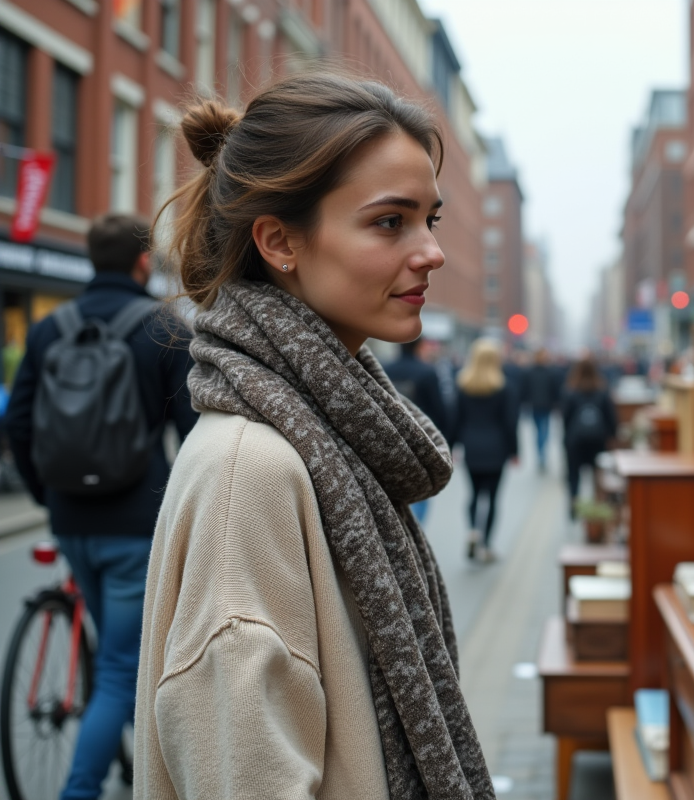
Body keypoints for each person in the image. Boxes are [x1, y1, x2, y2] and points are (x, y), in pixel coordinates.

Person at [133, 73, 494, 799]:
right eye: (390, 222)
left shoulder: (324, 437)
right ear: (280, 242)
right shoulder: (253, 473)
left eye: (431, 219)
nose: (431, 252)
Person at [5, 213, 198, 800]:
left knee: (118, 653)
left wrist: (48, 497)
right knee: (121, 667)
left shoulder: (48, 328)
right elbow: (196, 434)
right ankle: (79, 791)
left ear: (92, 259)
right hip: (135, 523)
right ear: (144, 262)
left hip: (69, 520)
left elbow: (16, 422)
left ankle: (138, 761)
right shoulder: (164, 327)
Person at [452, 338, 518, 562]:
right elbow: (510, 423)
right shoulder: (504, 387)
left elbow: (455, 420)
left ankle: (472, 530)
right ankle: (487, 545)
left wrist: (451, 446)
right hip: (496, 447)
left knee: (473, 494)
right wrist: (514, 450)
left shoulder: (463, 385)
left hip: (471, 446)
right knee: (492, 498)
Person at [385, 337, 449, 524]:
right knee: (419, 488)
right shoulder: (428, 372)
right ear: (420, 346)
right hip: (421, 442)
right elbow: (440, 410)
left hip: (389, 438)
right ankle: (414, 530)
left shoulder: (385, 369)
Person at [561, 355, 617, 516]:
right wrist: (612, 436)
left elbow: (565, 418)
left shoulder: (570, 391)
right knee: (598, 476)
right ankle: (597, 509)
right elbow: (611, 418)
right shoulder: (602, 390)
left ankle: (574, 506)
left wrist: (566, 439)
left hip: (575, 441)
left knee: (573, 476)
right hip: (597, 440)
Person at [522, 348, 562, 472]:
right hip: (538, 405)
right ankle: (541, 455)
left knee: (542, 431)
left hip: (544, 406)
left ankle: (541, 455)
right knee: (541, 431)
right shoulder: (541, 372)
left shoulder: (546, 372)